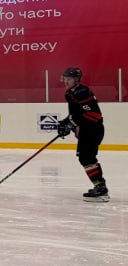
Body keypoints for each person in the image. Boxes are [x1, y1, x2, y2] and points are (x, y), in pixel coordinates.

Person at [58, 66, 109, 202]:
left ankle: (101, 189)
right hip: (87, 130)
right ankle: (100, 186)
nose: (66, 81)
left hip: (93, 130)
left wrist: (72, 123)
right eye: (65, 78)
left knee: (87, 158)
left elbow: (93, 115)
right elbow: (75, 114)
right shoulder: (70, 93)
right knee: (86, 158)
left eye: (69, 79)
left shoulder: (82, 92)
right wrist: (65, 123)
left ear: (77, 80)